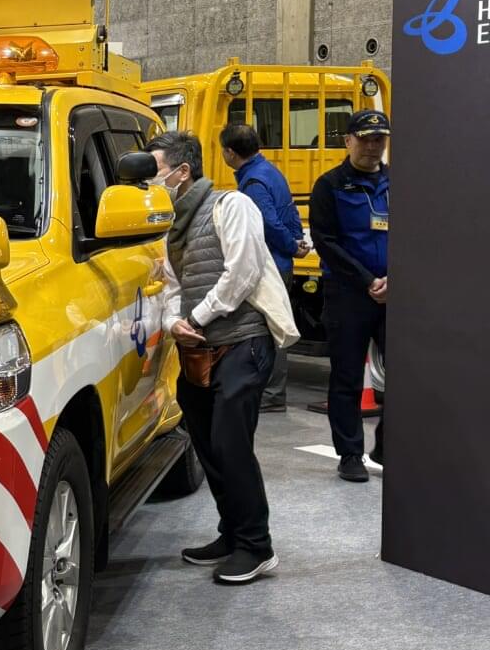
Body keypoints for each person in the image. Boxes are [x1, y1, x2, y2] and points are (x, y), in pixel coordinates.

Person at [148, 131, 297, 585]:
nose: (151, 182)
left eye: (156, 171)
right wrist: (173, 321)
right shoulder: (171, 225)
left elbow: (243, 271)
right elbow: (170, 284)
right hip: (199, 349)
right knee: (209, 446)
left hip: (243, 342)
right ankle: (232, 533)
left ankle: (256, 545)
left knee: (232, 446)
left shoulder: (231, 205)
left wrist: (196, 316)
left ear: (182, 171)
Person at [309, 109, 390, 483]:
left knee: (405, 374)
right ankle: (350, 454)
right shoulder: (330, 186)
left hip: (393, 293)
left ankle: (387, 445)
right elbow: (325, 241)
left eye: (379, 139)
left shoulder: (398, 181)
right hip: (347, 295)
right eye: (366, 139)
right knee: (346, 376)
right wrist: (367, 281)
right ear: (348, 141)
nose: (373, 146)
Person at [220, 123, 308, 412]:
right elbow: (290, 212)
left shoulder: (253, 182)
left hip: (270, 264)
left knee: (271, 327)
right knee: (274, 324)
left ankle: (271, 394)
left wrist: (291, 246)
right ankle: (271, 392)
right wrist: (296, 240)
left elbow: (268, 223)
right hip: (281, 261)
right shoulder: (269, 172)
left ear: (230, 153)